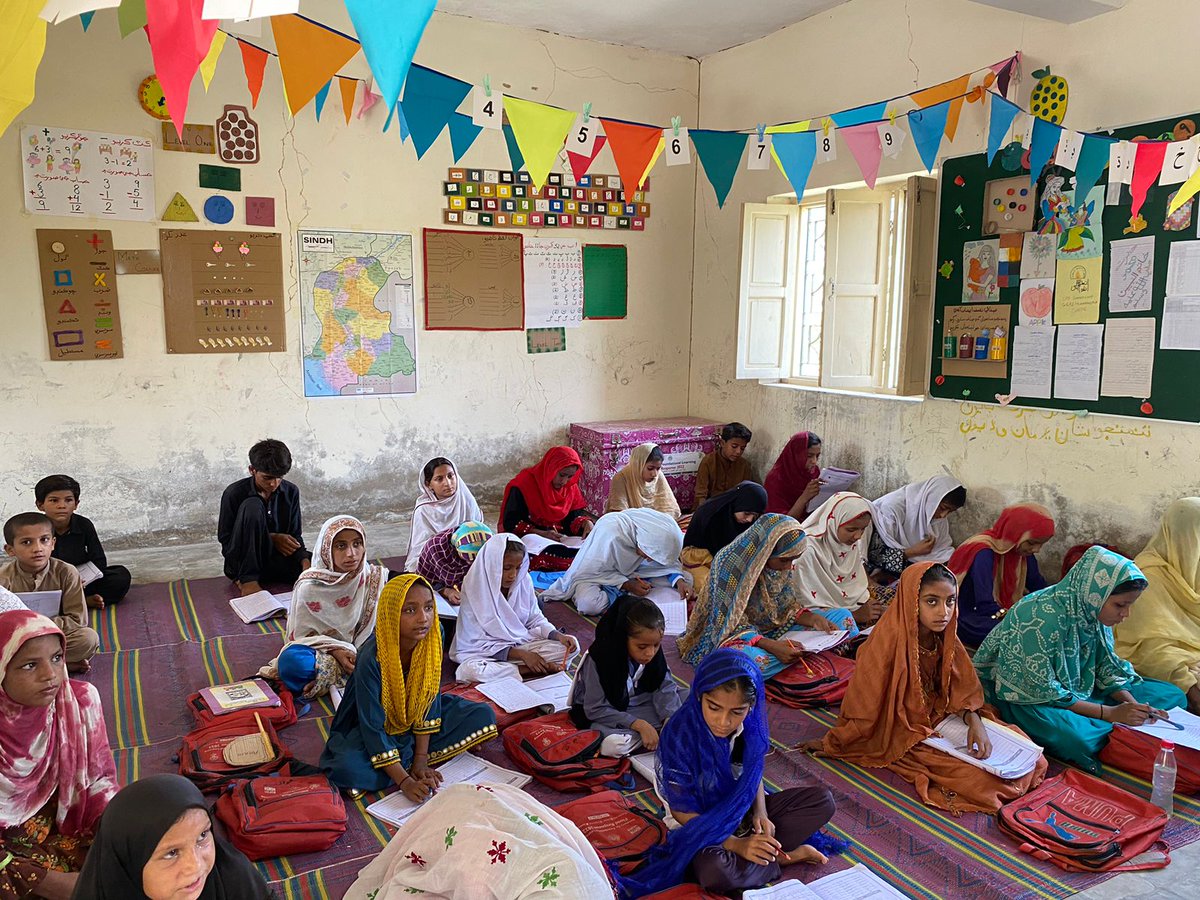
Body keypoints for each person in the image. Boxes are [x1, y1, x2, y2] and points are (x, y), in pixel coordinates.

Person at [808, 563, 1047, 815]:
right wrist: (839, 741)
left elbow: (962, 690)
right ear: (911, 601)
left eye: (950, 601)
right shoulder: (883, 645)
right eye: (931, 602)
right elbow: (865, 710)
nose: (943, 612)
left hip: (945, 718)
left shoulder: (945, 636)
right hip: (903, 730)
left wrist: (973, 720)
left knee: (1030, 753)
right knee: (983, 783)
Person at [618, 650, 840, 898]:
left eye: (737, 711)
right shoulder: (679, 735)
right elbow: (682, 812)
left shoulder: (748, 727)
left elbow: (752, 772)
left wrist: (761, 813)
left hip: (741, 811)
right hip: (699, 825)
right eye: (714, 708)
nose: (724, 721)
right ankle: (784, 859)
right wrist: (735, 844)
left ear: (750, 707)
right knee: (713, 872)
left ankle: (755, 854)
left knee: (822, 801)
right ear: (700, 697)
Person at [974, 547, 1187, 774]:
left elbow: (1107, 667)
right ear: (1096, 594)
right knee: (1078, 739)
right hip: (1029, 698)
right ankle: (1113, 728)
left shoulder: (1090, 611)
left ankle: (1115, 729)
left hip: (1083, 687)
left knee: (1173, 695)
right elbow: (1042, 689)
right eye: (1120, 605)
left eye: (1129, 605)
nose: (1126, 614)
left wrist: (1131, 703)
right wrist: (1111, 713)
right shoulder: (1037, 617)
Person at [321, 574, 498, 796]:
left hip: (417, 716)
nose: (423, 618)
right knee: (346, 766)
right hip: (375, 725)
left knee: (482, 715)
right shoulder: (372, 656)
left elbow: (429, 698)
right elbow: (372, 726)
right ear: (391, 613)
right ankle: (401, 762)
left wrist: (421, 762)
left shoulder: (435, 634)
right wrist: (405, 782)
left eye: (428, 607)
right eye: (410, 610)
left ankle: (403, 759)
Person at [0, 611, 116, 900]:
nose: (50, 675)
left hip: (67, 819)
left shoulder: (80, 701)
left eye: (57, 658)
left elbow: (99, 781)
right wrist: (41, 880)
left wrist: (113, 833)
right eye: (29, 665)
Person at [346, 783, 611, 899]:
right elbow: (475, 873)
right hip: (469, 825)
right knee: (468, 860)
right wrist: (405, 776)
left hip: (478, 808)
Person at [679, 513, 854, 677]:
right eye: (785, 560)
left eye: (793, 560)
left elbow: (786, 610)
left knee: (843, 618)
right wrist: (773, 647)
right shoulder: (730, 565)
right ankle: (807, 658)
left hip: (777, 632)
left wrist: (813, 619)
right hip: (734, 637)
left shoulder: (780, 567)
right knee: (748, 661)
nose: (788, 567)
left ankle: (799, 658)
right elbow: (726, 625)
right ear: (765, 551)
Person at [71, 774, 271, 900]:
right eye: (172, 853)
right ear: (128, 864)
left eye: (202, 836)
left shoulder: (231, 876)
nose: (195, 866)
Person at [259, 515, 385, 702]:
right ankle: (350, 671)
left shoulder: (373, 577)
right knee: (291, 663)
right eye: (341, 546)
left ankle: (329, 675)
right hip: (321, 652)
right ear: (326, 549)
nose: (351, 553)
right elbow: (301, 638)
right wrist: (336, 650)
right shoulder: (309, 585)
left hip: (363, 649)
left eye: (357, 544)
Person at [569, 594, 685, 757]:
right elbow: (595, 709)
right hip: (608, 713)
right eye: (642, 646)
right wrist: (639, 725)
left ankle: (657, 730)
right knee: (616, 745)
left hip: (641, 703)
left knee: (694, 697)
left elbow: (665, 686)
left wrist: (669, 719)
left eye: (656, 645)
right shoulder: (601, 658)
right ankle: (648, 732)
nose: (650, 653)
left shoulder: (651, 652)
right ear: (623, 638)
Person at [450, 535, 578, 682]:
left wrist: (558, 636)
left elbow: (535, 619)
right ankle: (527, 669)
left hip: (520, 642)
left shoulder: (523, 581)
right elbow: (475, 639)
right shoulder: (475, 585)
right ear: (492, 565)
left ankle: (517, 669)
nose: (513, 575)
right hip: (483, 654)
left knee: (571, 646)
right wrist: (523, 656)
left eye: (518, 567)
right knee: (468, 672)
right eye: (506, 568)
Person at [1115, 499, 1200, 713]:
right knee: (1176, 696)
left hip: (1192, 657)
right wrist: (1189, 683)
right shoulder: (1146, 576)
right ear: (1184, 534)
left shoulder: (1195, 568)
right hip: (1169, 663)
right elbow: (1152, 651)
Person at [541, 509, 693, 616]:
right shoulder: (611, 535)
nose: (650, 558)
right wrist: (626, 584)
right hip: (595, 575)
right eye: (650, 553)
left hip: (632, 571)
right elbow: (592, 570)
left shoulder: (650, 532)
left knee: (687, 579)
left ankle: (629, 592)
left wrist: (678, 580)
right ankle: (624, 593)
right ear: (646, 542)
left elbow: (665, 559)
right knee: (589, 604)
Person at [0, 513, 99, 673]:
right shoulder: (3, 579)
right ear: (10, 549)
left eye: (44, 540)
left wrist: (42, 625)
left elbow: (78, 619)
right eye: (26, 542)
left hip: (55, 636)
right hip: (18, 641)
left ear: (53, 543)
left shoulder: (66, 572)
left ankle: (26, 668)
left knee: (88, 639)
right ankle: (61, 664)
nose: (38, 548)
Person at [946, 503, 1055, 647]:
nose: (1037, 550)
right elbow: (985, 605)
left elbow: (1038, 586)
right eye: (1032, 543)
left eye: (1041, 544)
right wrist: (1021, 618)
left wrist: (1055, 603)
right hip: (973, 616)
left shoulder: (1022, 553)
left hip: (1004, 612)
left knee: (1051, 624)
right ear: (1015, 534)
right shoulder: (983, 553)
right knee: (1021, 634)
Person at [217, 438, 311, 597]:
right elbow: (226, 541)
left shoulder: (291, 492)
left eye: (279, 477)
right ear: (252, 470)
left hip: (275, 560)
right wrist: (270, 538)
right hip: (244, 563)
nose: (274, 484)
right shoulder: (234, 494)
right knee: (252, 505)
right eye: (267, 478)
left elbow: (295, 536)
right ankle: (249, 581)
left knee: (327, 565)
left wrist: (305, 563)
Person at [35, 475, 131, 610]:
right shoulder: (35, 528)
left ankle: (77, 602)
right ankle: (79, 602)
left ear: (76, 504)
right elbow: (31, 562)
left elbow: (99, 560)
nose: (62, 505)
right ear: (40, 505)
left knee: (120, 576)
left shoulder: (84, 524)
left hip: (83, 581)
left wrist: (82, 579)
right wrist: (63, 581)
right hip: (51, 581)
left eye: (68, 500)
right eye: (54, 500)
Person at [793, 493, 880, 627]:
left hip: (854, 604)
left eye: (863, 529)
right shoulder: (807, 551)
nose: (858, 536)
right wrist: (855, 615)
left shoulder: (849, 543)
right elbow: (803, 606)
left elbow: (856, 584)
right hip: (817, 617)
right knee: (846, 622)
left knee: (902, 603)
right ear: (833, 521)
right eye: (851, 529)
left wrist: (871, 607)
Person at [867, 476, 966, 580]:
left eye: (950, 511)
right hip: (880, 568)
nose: (943, 515)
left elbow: (942, 551)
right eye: (943, 508)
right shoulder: (892, 508)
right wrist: (911, 552)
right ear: (932, 497)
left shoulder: (936, 517)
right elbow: (874, 556)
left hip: (909, 566)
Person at [681, 482, 768, 596]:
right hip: (699, 556)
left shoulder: (747, 521)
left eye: (755, 516)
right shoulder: (710, 514)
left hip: (726, 559)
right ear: (738, 503)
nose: (749, 519)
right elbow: (716, 551)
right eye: (747, 513)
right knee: (712, 589)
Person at [403, 458, 484, 572]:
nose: (448, 483)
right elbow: (422, 548)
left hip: (468, 555)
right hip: (438, 559)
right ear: (428, 484)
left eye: (451, 476)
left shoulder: (466, 501)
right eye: (439, 479)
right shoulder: (424, 510)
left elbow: (479, 533)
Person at [499, 446, 596, 541]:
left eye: (570, 476)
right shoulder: (524, 485)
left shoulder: (570, 488)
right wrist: (542, 533)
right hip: (530, 539)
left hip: (560, 539)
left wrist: (585, 522)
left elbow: (573, 516)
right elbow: (511, 522)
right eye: (562, 475)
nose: (564, 481)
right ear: (551, 468)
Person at [415, 521, 493, 607]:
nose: (473, 565)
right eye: (469, 561)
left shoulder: (489, 550)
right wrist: (447, 591)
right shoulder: (437, 549)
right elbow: (423, 581)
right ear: (456, 549)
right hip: (442, 596)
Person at [605, 443, 682, 519]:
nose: (654, 474)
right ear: (638, 464)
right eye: (650, 468)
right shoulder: (621, 478)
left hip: (656, 523)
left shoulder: (658, 475)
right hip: (631, 525)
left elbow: (669, 507)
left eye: (658, 468)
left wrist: (658, 521)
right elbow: (620, 513)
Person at [763, 432, 822, 517]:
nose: (814, 461)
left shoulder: (814, 472)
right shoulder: (776, 479)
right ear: (796, 454)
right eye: (809, 456)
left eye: (817, 456)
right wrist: (804, 497)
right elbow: (780, 522)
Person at [694, 423, 753, 508]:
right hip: (709, 509)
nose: (738, 452)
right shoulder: (708, 462)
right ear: (722, 443)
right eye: (734, 446)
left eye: (742, 448)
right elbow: (701, 496)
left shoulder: (744, 466)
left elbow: (746, 494)